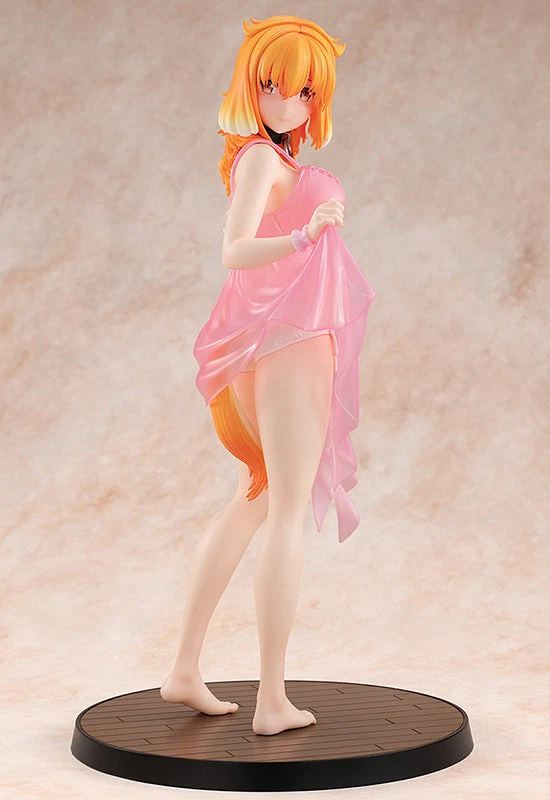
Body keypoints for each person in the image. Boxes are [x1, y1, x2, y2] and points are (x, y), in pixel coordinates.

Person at [160, 15, 376, 736]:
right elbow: (235, 250)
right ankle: (273, 700)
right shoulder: (258, 158)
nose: (287, 102)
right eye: (272, 85)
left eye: (305, 91)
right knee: (283, 511)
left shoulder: (268, 157)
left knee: (255, 500)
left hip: (280, 344)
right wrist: (303, 235)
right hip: (285, 347)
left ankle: (184, 669)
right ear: (249, 86)